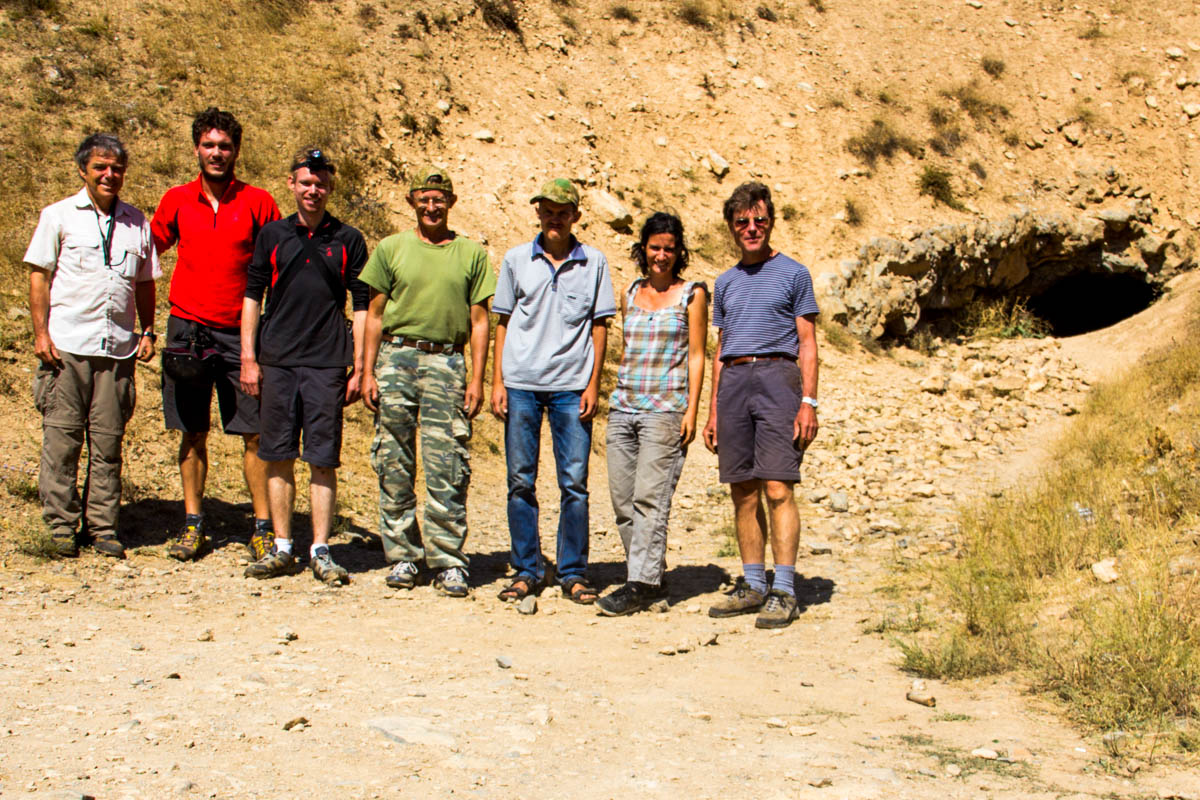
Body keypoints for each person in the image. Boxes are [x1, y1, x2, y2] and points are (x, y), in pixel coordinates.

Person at [151, 107, 280, 562]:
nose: (217, 153)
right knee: (192, 432)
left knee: (254, 434)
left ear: (236, 151)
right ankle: (193, 524)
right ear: (196, 150)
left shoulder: (259, 202)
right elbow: (146, 251)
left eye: (225, 146)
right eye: (209, 145)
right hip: (187, 330)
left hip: (242, 334)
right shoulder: (177, 200)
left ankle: (262, 527)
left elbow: (276, 268)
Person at [360, 166, 494, 598]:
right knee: (393, 461)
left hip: (447, 363)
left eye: (439, 199)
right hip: (396, 359)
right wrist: (366, 371)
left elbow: (479, 322)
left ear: (451, 203)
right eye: (424, 198)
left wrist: (478, 378)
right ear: (412, 201)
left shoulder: (470, 254)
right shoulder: (391, 248)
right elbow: (374, 315)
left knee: (447, 465)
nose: (431, 206)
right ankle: (402, 555)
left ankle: (448, 561)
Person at [24, 133, 160, 559]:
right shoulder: (58, 216)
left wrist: (148, 330)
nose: (109, 175)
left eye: (117, 168)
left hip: (117, 350)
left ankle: (103, 527)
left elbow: (144, 282)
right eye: (101, 167)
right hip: (66, 346)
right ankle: (61, 527)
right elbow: (39, 276)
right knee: (62, 441)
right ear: (83, 169)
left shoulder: (137, 222)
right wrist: (41, 333)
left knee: (108, 443)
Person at [238, 148, 368, 584]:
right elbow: (252, 297)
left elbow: (364, 307)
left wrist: (361, 365)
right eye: (305, 183)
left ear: (330, 188)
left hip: (327, 363)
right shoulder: (272, 235)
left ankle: (321, 549)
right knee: (277, 456)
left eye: (321, 184)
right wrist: (249, 357)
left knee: (322, 459)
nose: (313, 190)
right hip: (277, 361)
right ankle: (281, 547)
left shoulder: (348, 239)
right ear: (292, 185)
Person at [491, 178, 616, 605]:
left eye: (562, 211)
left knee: (574, 483)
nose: (554, 218)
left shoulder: (595, 262)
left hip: (571, 387)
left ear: (576, 216)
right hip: (522, 384)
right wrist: (497, 382)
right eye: (547, 210)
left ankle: (573, 572)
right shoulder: (515, 260)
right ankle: (527, 569)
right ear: (538, 213)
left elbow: (600, 326)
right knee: (520, 481)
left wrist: (593, 384)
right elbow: (502, 323)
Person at [701, 182, 819, 629]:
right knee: (742, 490)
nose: (752, 228)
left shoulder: (794, 273)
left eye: (760, 220)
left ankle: (784, 590)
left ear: (771, 222)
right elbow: (720, 347)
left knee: (777, 488)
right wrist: (712, 410)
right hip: (733, 381)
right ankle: (753, 584)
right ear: (732, 228)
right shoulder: (725, 282)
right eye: (743, 222)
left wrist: (808, 402)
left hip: (777, 378)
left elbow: (807, 343)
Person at [598, 212, 708, 616]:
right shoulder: (630, 291)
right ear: (643, 249)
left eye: (669, 248)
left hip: (665, 411)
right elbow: (628, 349)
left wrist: (691, 410)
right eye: (654, 247)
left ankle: (639, 585)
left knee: (651, 499)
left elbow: (697, 356)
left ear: (679, 252)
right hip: (623, 407)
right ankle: (650, 574)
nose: (661, 255)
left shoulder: (692, 295)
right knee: (623, 500)